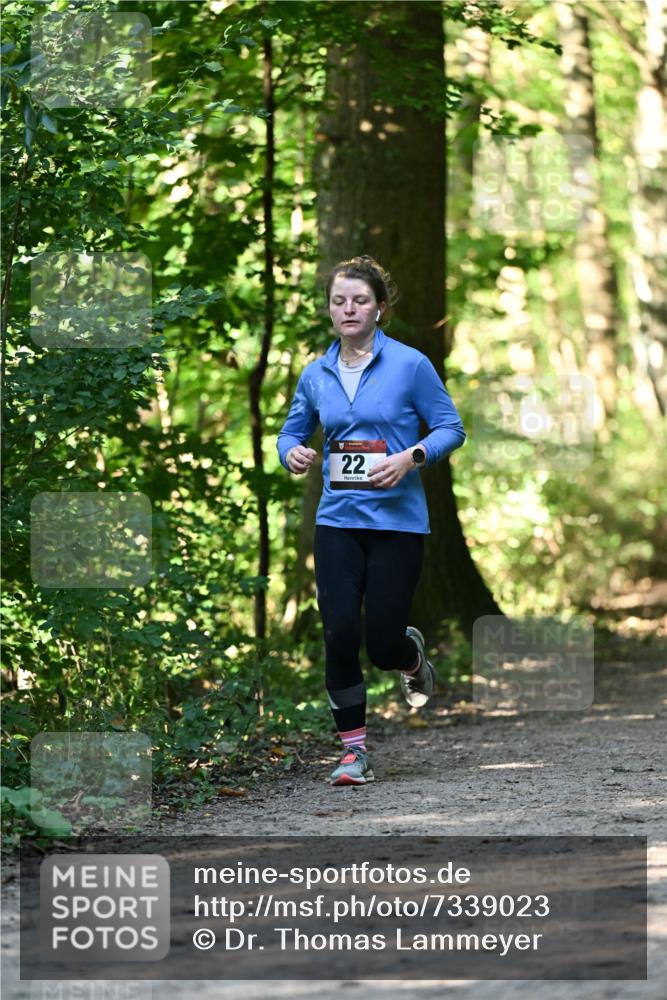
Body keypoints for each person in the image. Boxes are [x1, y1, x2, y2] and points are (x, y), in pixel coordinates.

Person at [277, 255, 466, 786]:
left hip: (398, 524)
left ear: (380, 308)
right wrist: (290, 454)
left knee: (381, 644)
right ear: (330, 311)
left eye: (360, 300)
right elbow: (291, 433)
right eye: (339, 301)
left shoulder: (409, 365)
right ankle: (353, 752)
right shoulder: (317, 374)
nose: (349, 309)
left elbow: (451, 427)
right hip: (337, 520)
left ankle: (410, 659)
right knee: (339, 632)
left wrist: (413, 457)